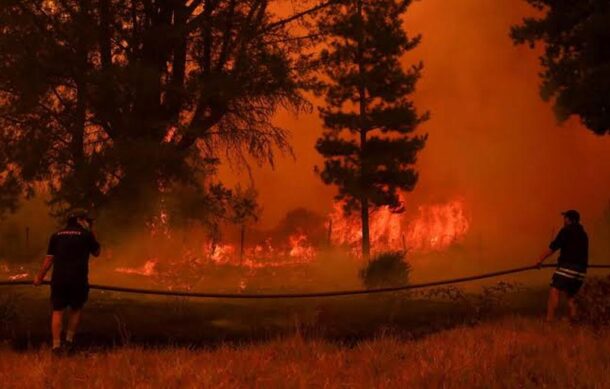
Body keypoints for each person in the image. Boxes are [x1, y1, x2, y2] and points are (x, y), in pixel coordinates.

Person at [33, 210, 101, 354]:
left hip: (59, 279)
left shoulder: (56, 235)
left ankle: (56, 346)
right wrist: (92, 232)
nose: (88, 223)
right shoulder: (86, 235)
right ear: (80, 220)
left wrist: (39, 277)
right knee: (75, 309)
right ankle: (69, 342)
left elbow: (49, 259)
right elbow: (97, 252)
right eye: (87, 221)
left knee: (57, 310)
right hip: (78, 279)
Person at [536, 210, 588, 322]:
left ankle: (549, 320)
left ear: (570, 219)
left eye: (565, 218)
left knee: (554, 290)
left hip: (567, 267)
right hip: (581, 270)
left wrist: (540, 260)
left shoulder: (566, 231)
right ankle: (574, 321)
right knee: (571, 296)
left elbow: (553, 248)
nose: (564, 220)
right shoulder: (583, 234)